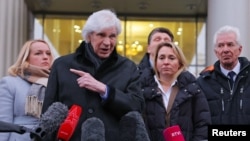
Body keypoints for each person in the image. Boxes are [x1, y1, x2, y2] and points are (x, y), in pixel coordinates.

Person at [41, 9, 145, 141]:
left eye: (112, 36)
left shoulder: (128, 67)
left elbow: (136, 107)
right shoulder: (62, 65)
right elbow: (48, 114)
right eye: (101, 35)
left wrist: (105, 90)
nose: (107, 42)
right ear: (89, 36)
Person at [140, 42, 211, 141]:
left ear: (180, 63)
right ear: (155, 62)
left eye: (171, 58)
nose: (166, 62)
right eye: (161, 58)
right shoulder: (142, 89)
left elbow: (203, 124)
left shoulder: (193, 89)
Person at [0, 39, 55, 141]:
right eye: (38, 53)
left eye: (48, 53)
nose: (45, 57)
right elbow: (3, 122)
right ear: (26, 58)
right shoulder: (10, 83)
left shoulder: (56, 82)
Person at [197, 25, 250, 124]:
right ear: (216, 52)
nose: (225, 50)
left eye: (230, 44)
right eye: (220, 45)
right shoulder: (203, 82)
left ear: (240, 49)